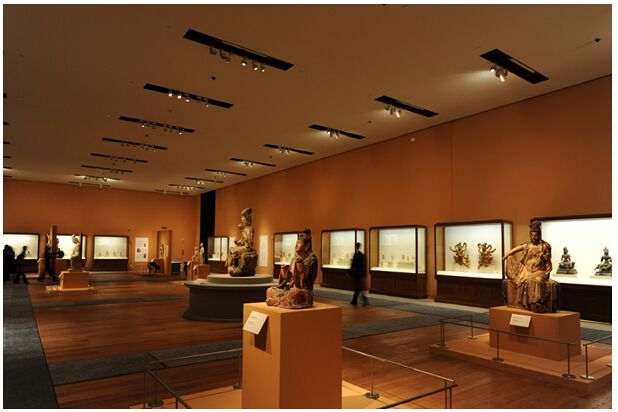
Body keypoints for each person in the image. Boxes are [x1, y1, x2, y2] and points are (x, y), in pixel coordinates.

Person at [502, 220, 558, 313]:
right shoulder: (527, 245)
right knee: (510, 258)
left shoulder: (545, 246)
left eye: (536, 235)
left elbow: (548, 262)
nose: (534, 237)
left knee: (538, 280)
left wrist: (545, 257)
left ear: (539, 235)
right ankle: (517, 279)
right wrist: (506, 256)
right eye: (532, 235)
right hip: (526, 269)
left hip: (538, 270)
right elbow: (515, 250)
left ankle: (536, 302)